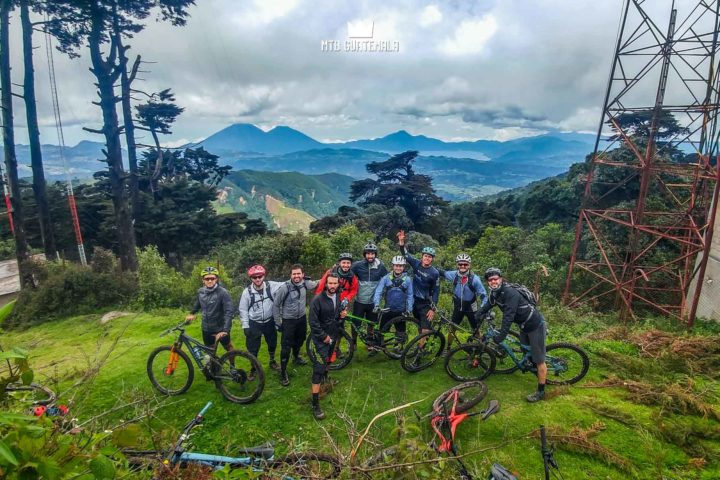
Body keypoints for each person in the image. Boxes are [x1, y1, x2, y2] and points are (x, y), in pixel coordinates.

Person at [476, 267, 547, 403]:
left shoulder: (510, 293)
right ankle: (530, 363)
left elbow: (508, 316)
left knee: (539, 360)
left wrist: (501, 336)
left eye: (495, 279)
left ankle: (541, 391)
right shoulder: (494, 293)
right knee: (525, 349)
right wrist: (478, 314)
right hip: (523, 325)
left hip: (534, 325)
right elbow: (488, 306)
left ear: (501, 279)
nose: (493, 281)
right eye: (490, 280)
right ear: (488, 282)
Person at [273, 264, 319, 387]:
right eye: (294, 274)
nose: (296, 276)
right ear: (291, 275)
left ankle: (296, 357)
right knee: (286, 346)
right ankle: (283, 371)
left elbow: (318, 283)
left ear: (303, 274)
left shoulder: (305, 283)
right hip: (288, 320)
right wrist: (278, 323)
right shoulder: (285, 288)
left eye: (299, 273)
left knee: (300, 340)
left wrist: (332, 272)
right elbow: (276, 305)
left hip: (302, 318)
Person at [308, 273, 347, 420]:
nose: (332, 286)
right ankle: (315, 404)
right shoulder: (317, 300)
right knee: (317, 369)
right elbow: (312, 322)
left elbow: (336, 315)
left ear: (338, 284)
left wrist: (341, 316)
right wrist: (323, 337)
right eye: (330, 283)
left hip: (333, 336)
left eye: (335, 283)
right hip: (320, 340)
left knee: (328, 360)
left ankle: (325, 379)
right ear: (326, 284)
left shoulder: (338, 296)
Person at [238, 265, 284, 375]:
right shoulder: (247, 292)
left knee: (272, 343)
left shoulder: (271, 286)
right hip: (254, 322)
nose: (258, 279)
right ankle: (253, 368)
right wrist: (245, 326)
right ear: (251, 278)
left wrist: (300, 278)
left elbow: (287, 283)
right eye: (254, 277)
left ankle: (272, 361)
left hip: (269, 320)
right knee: (253, 347)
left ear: (264, 276)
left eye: (260, 276)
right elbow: (243, 309)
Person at [438, 253, 487, 351]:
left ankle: (481, 349)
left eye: (465, 264)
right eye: (460, 264)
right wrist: (425, 266)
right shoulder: (454, 275)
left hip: (471, 307)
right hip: (458, 307)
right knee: (452, 329)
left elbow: (483, 295)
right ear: (457, 265)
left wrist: (483, 308)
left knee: (476, 330)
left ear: (469, 265)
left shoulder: (475, 279)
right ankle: (448, 349)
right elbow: (442, 272)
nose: (463, 266)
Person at [396, 230, 440, 335]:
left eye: (429, 257)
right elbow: (405, 254)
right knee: (419, 326)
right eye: (425, 256)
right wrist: (401, 242)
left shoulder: (434, 273)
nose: (427, 258)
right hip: (414, 300)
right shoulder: (416, 264)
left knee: (425, 329)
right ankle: (422, 346)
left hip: (425, 303)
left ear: (432, 259)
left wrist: (433, 309)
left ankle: (421, 350)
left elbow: (436, 291)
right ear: (422, 256)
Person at [186, 266, 236, 353]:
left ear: (216, 279)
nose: (209, 281)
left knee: (228, 347)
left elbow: (229, 312)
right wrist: (192, 313)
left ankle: (232, 366)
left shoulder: (222, 292)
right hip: (206, 328)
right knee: (210, 351)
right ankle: (214, 366)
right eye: (207, 279)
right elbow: (198, 304)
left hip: (220, 327)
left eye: (212, 278)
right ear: (203, 280)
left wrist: (225, 330)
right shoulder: (201, 291)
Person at [350, 242, 388, 345]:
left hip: (372, 302)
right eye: (367, 253)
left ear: (375, 254)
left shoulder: (380, 266)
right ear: (364, 254)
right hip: (359, 301)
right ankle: (353, 343)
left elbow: (388, 279)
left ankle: (370, 343)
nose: (370, 256)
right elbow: (347, 273)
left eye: (372, 254)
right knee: (355, 323)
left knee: (371, 324)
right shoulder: (358, 265)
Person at [372, 256, 414, 346]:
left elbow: (410, 296)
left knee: (400, 332)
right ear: (393, 266)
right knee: (382, 331)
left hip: (401, 311)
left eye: (401, 266)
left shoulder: (407, 280)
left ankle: (398, 347)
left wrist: (409, 310)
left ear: (404, 267)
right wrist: (376, 305)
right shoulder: (386, 278)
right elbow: (378, 291)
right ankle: (378, 347)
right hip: (387, 310)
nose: (398, 268)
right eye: (396, 266)